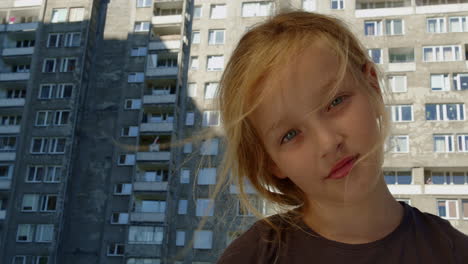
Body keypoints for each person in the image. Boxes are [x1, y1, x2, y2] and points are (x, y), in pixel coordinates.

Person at [214, 10, 468, 264]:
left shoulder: (454, 252)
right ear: (271, 162)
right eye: (290, 135)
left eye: (336, 101)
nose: (327, 142)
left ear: (372, 85)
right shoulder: (253, 257)